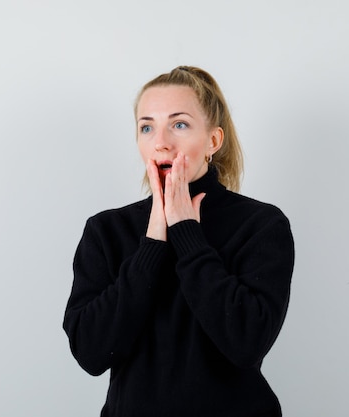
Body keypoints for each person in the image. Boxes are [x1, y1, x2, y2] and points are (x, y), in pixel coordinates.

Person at [63, 65, 295, 417]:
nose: (161, 142)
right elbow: (91, 353)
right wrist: (153, 242)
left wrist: (187, 233)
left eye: (179, 124)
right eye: (147, 127)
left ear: (213, 141)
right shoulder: (107, 230)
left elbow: (247, 344)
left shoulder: (261, 225)